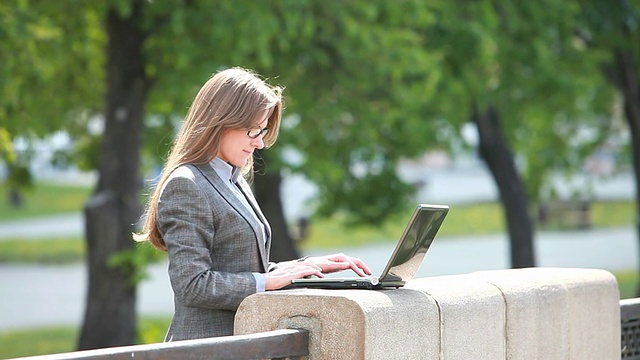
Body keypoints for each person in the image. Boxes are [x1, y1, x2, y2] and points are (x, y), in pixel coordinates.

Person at [135, 67, 371, 341]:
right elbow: (192, 285)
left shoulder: (234, 178)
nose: (259, 143)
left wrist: (301, 269)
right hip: (206, 348)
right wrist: (268, 281)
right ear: (221, 123)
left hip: (241, 343)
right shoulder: (187, 184)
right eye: (252, 131)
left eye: (263, 131)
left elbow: (240, 269)